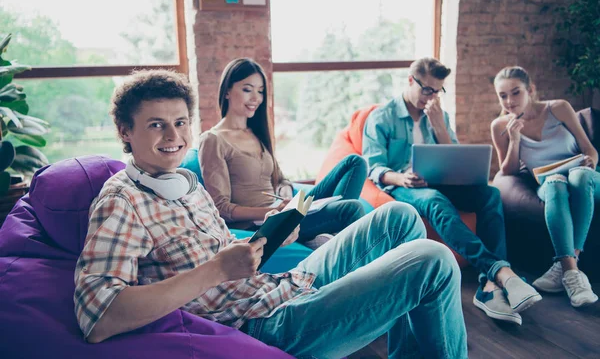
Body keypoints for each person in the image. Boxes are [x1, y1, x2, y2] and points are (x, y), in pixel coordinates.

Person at [73, 69, 468, 358]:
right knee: (433, 259)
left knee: (397, 216)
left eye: (179, 123)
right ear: (125, 131)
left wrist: (271, 236)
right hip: (261, 324)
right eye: (157, 125)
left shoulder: (187, 185)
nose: (174, 137)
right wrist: (216, 270)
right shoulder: (121, 200)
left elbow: (227, 246)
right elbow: (99, 317)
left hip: (275, 285)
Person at [362, 57, 542, 325]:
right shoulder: (382, 117)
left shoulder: (438, 115)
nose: (432, 97)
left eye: (437, 91)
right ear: (411, 81)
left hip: (442, 180)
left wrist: (440, 127)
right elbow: (373, 167)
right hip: (405, 186)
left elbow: (455, 156)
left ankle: (489, 286)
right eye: (427, 90)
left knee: (491, 194)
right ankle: (502, 273)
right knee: (435, 201)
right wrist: (401, 178)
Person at [198, 58, 367, 246]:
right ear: (227, 91)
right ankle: (328, 237)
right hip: (263, 222)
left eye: (260, 91)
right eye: (247, 89)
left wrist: (283, 189)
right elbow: (221, 208)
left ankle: (325, 236)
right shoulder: (213, 139)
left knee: (354, 162)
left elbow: (279, 179)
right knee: (351, 209)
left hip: (284, 211)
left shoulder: (256, 132)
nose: (256, 98)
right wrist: (274, 211)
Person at [491, 66, 599, 308]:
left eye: (516, 92)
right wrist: (514, 140)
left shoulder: (559, 108)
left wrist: (590, 162)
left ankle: (564, 267)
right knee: (554, 184)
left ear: (530, 90)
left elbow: (589, 148)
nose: (509, 101)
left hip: (585, 176)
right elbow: (506, 172)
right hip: (548, 180)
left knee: (579, 177)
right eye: (503, 95)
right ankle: (572, 274)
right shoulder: (500, 126)